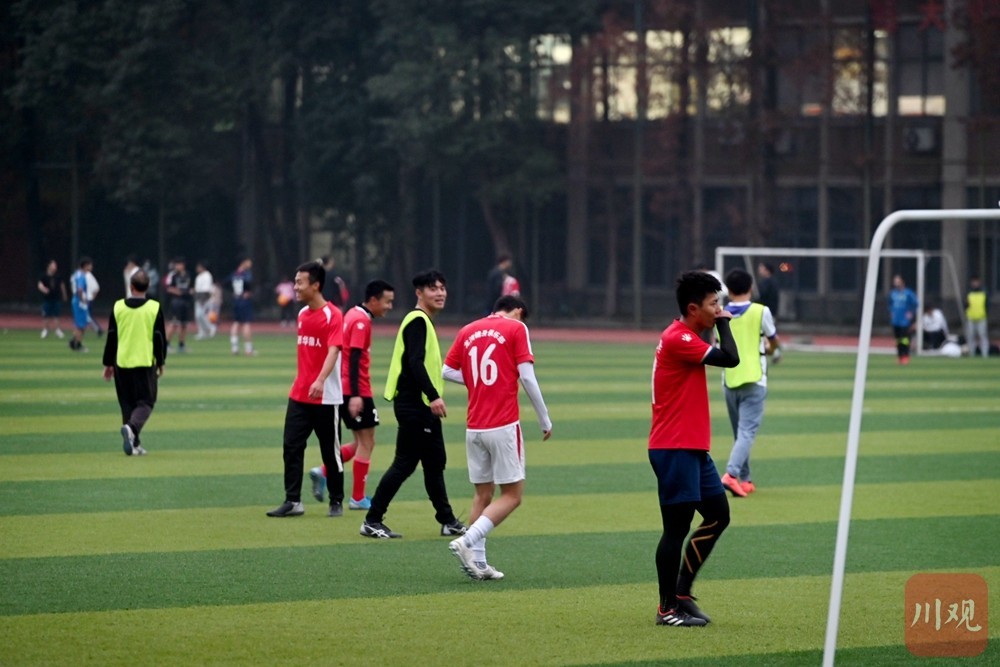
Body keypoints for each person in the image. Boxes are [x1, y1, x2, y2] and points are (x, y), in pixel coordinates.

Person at [649, 271, 739, 627]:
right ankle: (667, 608)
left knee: (718, 515)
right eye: (713, 304)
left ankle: (682, 593)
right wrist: (724, 323)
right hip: (674, 448)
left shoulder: (684, 335)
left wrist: (716, 319)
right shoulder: (679, 338)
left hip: (690, 448)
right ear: (693, 308)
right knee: (675, 529)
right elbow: (731, 358)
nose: (718, 309)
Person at [442, 295, 553, 581]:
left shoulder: (468, 329)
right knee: (513, 496)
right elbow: (527, 376)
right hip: (503, 425)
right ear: (518, 310)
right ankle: (466, 541)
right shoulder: (517, 328)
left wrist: (478, 381)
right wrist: (544, 419)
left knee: (483, 494)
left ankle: (478, 563)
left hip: (474, 427)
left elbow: (447, 370)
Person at [360, 269, 466, 539]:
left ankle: (448, 520)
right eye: (433, 288)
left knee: (434, 462)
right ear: (419, 293)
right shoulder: (417, 320)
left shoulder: (424, 321)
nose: (440, 293)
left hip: (421, 405)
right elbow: (414, 363)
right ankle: (372, 519)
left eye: (442, 288)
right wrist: (433, 395)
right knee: (405, 463)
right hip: (416, 405)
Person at [266, 260, 346, 518]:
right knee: (291, 446)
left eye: (300, 282)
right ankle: (293, 501)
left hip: (326, 397)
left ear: (316, 285)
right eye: (295, 281)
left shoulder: (333, 315)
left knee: (330, 452)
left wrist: (320, 380)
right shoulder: (301, 314)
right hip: (299, 394)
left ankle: (336, 500)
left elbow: (333, 351)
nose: (295, 287)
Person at [309, 280, 396, 510]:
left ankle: (323, 471)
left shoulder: (352, 314)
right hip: (356, 390)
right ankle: (358, 498)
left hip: (347, 388)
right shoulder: (360, 321)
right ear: (374, 300)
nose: (389, 307)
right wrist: (357, 395)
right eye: (387, 302)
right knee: (367, 442)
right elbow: (355, 357)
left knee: (361, 442)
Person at [718, 269, 781, 499]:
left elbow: (717, 344)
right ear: (751, 287)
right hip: (755, 378)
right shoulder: (761, 311)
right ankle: (731, 474)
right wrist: (770, 351)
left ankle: (746, 479)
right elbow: (773, 340)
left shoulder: (719, 313)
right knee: (747, 432)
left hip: (730, 379)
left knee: (740, 433)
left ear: (728, 289)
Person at [101, 270, 167, 456]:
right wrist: (161, 361)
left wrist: (108, 363)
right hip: (144, 361)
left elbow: (112, 337)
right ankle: (132, 429)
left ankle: (134, 444)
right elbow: (159, 338)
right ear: (148, 287)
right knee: (146, 402)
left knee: (127, 403)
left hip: (121, 362)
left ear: (130, 286)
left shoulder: (118, 307)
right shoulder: (154, 307)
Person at [888, 274, 918, 365]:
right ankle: (899, 355)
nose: (896, 284)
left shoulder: (908, 293)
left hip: (905, 321)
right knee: (898, 339)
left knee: (904, 339)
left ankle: (905, 355)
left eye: (898, 281)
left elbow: (915, 303)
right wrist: (891, 313)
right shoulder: (893, 294)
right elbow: (890, 304)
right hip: (896, 320)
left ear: (902, 282)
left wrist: (911, 313)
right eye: (895, 282)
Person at [165, 257, 193, 352]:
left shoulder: (188, 275)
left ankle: (181, 345)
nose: (177, 266)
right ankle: (166, 344)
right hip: (176, 302)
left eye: (179, 264)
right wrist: (180, 292)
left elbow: (191, 287)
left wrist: (190, 291)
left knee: (184, 324)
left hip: (186, 302)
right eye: (176, 265)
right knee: (174, 323)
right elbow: (169, 288)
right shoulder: (173, 275)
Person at [230, 257, 255, 356]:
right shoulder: (246, 274)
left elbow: (227, 282)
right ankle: (248, 349)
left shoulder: (234, 274)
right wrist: (248, 293)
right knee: (246, 324)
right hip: (244, 301)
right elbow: (249, 284)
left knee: (236, 323)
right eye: (248, 262)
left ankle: (234, 347)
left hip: (236, 300)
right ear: (243, 262)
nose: (250, 265)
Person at [38, 259, 67, 339]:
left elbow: (62, 285)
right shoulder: (44, 276)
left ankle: (57, 330)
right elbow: (40, 285)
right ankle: (45, 330)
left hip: (56, 298)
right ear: (49, 266)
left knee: (57, 315)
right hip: (47, 299)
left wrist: (64, 294)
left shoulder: (58, 276)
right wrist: (44, 289)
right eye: (53, 265)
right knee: (46, 315)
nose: (55, 267)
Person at [69, 257, 94, 352]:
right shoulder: (82, 276)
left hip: (75, 300)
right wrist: (83, 300)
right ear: (86, 266)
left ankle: (73, 342)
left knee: (79, 323)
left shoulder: (75, 274)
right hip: (80, 302)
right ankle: (77, 345)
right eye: (90, 265)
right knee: (81, 325)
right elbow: (80, 289)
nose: (91, 267)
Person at [965, 276, 989, 358]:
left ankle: (984, 354)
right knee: (971, 336)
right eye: (973, 282)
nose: (975, 284)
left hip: (981, 317)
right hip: (971, 317)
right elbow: (966, 305)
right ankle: (972, 353)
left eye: (976, 282)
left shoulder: (984, 293)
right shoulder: (969, 293)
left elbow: (987, 305)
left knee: (982, 335)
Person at [194, 260, 217, 339]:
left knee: (200, 314)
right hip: (198, 297)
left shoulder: (207, 275)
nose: (197, 268)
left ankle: (211, 327)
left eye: (198, 267)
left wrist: (203, 300)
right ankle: (202, 332)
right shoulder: (198, 276)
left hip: (204, 298)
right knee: (198, 316)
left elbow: (206, 290)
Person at [84, 263, 104, 337]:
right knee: (86, 316)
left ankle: (98, 329)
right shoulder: (85, 275)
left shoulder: (88, 275)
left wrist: (92, 298)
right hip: (86, 299)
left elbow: (96, 288)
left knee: (87, 316)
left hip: (87, 299)